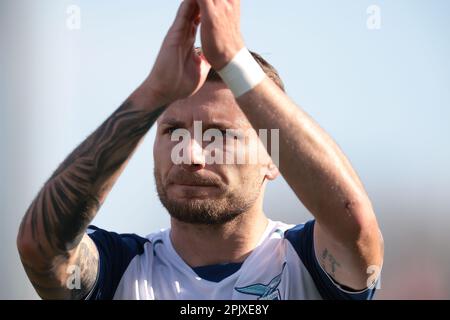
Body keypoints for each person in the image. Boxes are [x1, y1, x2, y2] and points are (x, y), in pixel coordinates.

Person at [17, 0, 383, 300]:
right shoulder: (120, 269)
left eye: (220, 136)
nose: (189, 155)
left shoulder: (306, 261)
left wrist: (234, 60)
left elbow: (357, 228)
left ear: (272, 157)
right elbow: (40, 247)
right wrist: (154, 92)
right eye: (173, 131)